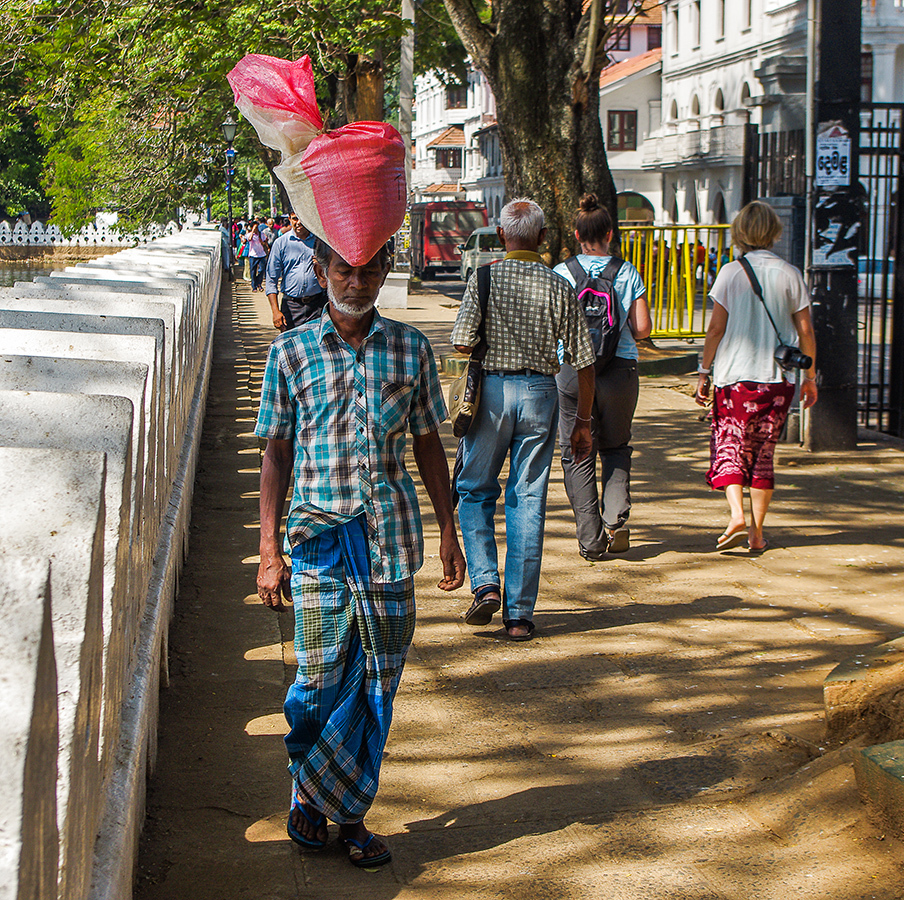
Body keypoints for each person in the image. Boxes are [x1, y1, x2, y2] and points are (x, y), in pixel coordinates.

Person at [256, 237, 466, 866]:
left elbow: (430, 444)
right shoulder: (290, 352)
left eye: (370, 269)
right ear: (322, 273)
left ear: (383, 273)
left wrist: (451, 532)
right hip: (317, 540)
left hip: (389, 539)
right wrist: (269, 549)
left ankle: (351, 813)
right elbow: (275, 452)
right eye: (345, 269)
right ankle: (307, 795)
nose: (357, 281)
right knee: (319, 679)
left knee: (378, 679)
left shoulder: (411, 349)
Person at [451, 198, 595, 641]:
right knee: (528, 498)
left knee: (474, 490)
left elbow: (460, 342)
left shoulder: (484, 276)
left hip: (492, 393)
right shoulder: (559, 286)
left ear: (500, 236)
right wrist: (583, 422)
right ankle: (519, 616)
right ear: (544, 237)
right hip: (540, 395)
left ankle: (485, 582)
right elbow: (584, 362)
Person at [694, 201, 817, 554]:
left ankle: (736, 514)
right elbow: (806, 331)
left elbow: (716, 328)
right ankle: (757, 533)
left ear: (740, 232)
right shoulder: (790, 274)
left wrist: (705, 371)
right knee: (764, 453)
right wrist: (809, 377)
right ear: (774, 231)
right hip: (777, 379)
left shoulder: (731, 273)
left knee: (730, 444)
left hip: (734, 377)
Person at [552, 193, 652, 559]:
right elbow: (642, 328)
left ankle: (591, 541)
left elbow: (551, 326)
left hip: (572, 372)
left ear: (576, 234)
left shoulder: (562, 273)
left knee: (577, 452)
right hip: (620, 370)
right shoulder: (627, 272)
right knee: (616, 447)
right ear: (610, 233)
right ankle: (615, 522)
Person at [265, 211, 325, 330]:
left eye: (301, 219)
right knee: (289, 345)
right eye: (294, 219)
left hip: (317, 306)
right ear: (290, 219)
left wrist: (321, 264)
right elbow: (271, 279)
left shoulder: (320, 243)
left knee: (316, 346)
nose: (298, 223)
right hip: (291, 307)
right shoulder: (281, 244)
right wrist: (275, 311)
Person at [241, 220, 269, 291]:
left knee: (261, 270)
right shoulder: (249, 235)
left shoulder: (261, 234)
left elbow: (264, 242)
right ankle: (254, 286)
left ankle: (259, 283)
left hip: (261, 254)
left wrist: (260, 238)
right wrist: (253, 232)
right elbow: (249, 239)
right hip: (253, 255)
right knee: (253, 271)